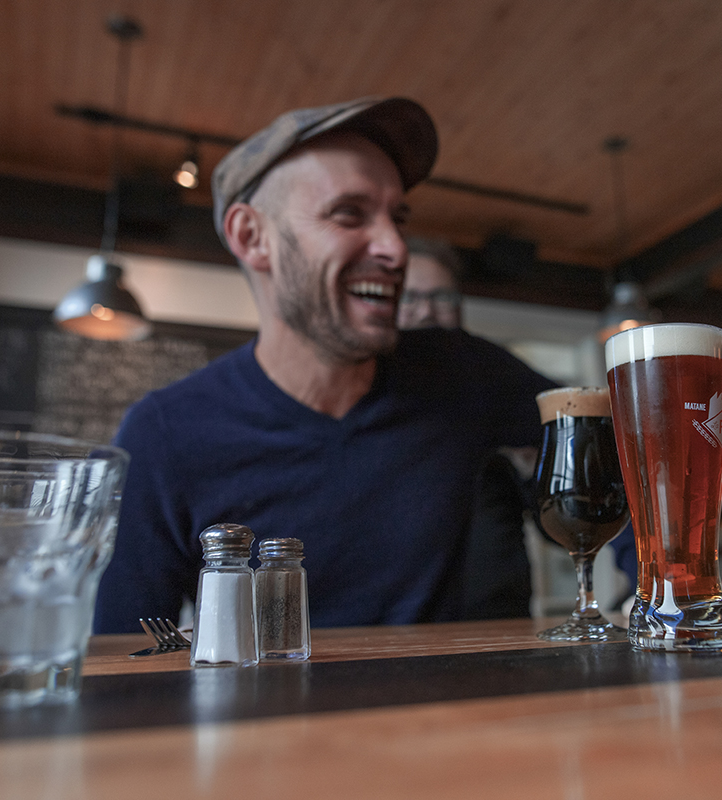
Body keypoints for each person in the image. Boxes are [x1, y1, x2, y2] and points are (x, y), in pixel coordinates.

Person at [93, 97, 555, 633]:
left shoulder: (460, 372)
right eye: (349, 214)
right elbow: (125, 657)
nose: (396, 248)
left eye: (397, 218)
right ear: (252, 237)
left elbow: (619, 446)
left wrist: (659, 594)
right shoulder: (164, 434)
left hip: (441, 713)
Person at [396, 237, 536, 620]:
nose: (425, 311)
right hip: (392, 627)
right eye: (408, 297)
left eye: (440, 297)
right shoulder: (360, 382)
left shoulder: (498, 375)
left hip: (496, 615)